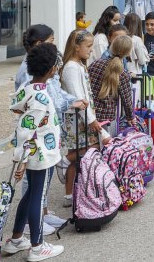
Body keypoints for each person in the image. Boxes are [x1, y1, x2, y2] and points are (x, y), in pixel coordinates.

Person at [2, 42, 65, 261]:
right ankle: (37, 247)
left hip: (35, 153)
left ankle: (17, 238)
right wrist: (20, 160)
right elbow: (25, 130)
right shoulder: (41, 98)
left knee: (30, 195)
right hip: (41, 154)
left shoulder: (29, 89)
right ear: (52, 69)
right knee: (38, 197)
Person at [59, 30, 109, 209]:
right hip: (78, 118)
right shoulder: (71, 68)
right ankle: (64, 160)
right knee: (89, 149)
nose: (91, 50)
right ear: (76, 46)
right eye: (88, 46)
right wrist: (91, 120)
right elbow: (78, 97)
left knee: (81, 154)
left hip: (83, 116)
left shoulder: (78, 65)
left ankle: (69, 194)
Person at [88, 33, 135, 129]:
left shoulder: (95, 64)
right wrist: (130, 117)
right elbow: (127, 101)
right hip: (107, 117)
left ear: (112, 47)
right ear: (128, 52)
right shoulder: (123, 74)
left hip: (89, 113)